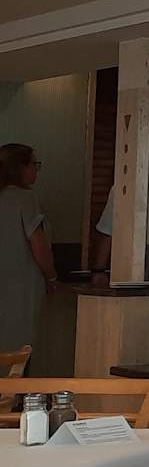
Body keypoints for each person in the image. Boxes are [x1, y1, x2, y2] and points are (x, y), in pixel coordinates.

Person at [0, 144, 57, 360]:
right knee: (20, 349)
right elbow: (38, 244)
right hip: (21, 288)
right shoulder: (26, 199)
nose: (36, 169)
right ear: (20, 167)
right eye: (34, 164)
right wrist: (51, 276)